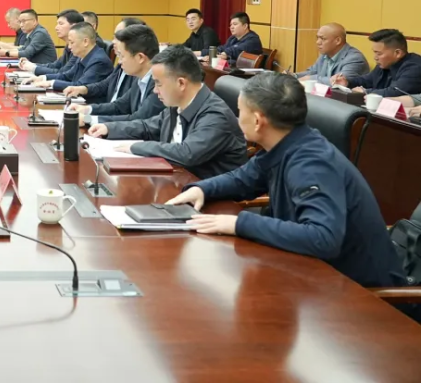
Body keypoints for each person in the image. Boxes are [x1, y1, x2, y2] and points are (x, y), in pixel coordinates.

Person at [167, 72, 406, 289]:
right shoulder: (286, 144)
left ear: (258, 121)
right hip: (316, 280)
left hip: (364, 297)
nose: (238, 117)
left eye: (240, 111)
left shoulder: (311, 163)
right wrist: (202, 189)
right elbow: (242, 179)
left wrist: (238, 224)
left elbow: (323, 238)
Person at [87, 45, 247, 179]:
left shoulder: (215, 115)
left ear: (181, 83)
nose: (155, 90)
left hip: (207, 197)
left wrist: (135, 147)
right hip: (173, 181)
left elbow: (187, 153)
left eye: (158, 84)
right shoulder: (177, 104)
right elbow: (147, 126)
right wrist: (108, 128)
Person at [76, 24, 162, 125]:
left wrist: (88, 119)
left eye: (122, 56)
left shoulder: (159, 84)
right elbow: (119, 106)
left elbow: (138, 120)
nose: (120, 62)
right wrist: (87, 109)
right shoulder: (140, 78)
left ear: (140, 58)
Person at [63, 17, 145, 104]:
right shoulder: (121, 65)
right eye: (114, 37)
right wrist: (83, 89)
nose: (113, 41)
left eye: (118, 37)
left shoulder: (137, 72)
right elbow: (105, 85)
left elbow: (121, 107)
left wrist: (90, 110)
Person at [332, 28, 421, 97]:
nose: (375, 57)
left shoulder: (415, 67)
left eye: (379, 54)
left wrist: (366, 92)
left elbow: (396, 92)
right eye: (374, 53)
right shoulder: (385, 64)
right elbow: (367, 80)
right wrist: (347, 82)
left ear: (397, 53)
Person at [30, 22, 111, 91]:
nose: (69, 47)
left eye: (72, 43)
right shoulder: (82, 55)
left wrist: (51, 83)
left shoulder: (99, 61)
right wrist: (43, 78)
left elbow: (80, 85)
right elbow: (67, 76)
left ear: (85, 42)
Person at [295, 23, 369, 83]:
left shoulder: (355, 58)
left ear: (338, 41)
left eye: (323, 38)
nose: (318, 42)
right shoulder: (325, 54)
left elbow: (339, 82)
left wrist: (310, 79)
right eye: (317, 38)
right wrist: (294, 76)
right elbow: (313, 71)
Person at [19, 10, 83, 76]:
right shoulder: (68, 46)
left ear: (74, 27)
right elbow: (56, 65)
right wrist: (32, 65)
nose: (56, 27)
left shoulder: (79, 48)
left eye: (61, 24)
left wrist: (34, 68)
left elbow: (64, 73)